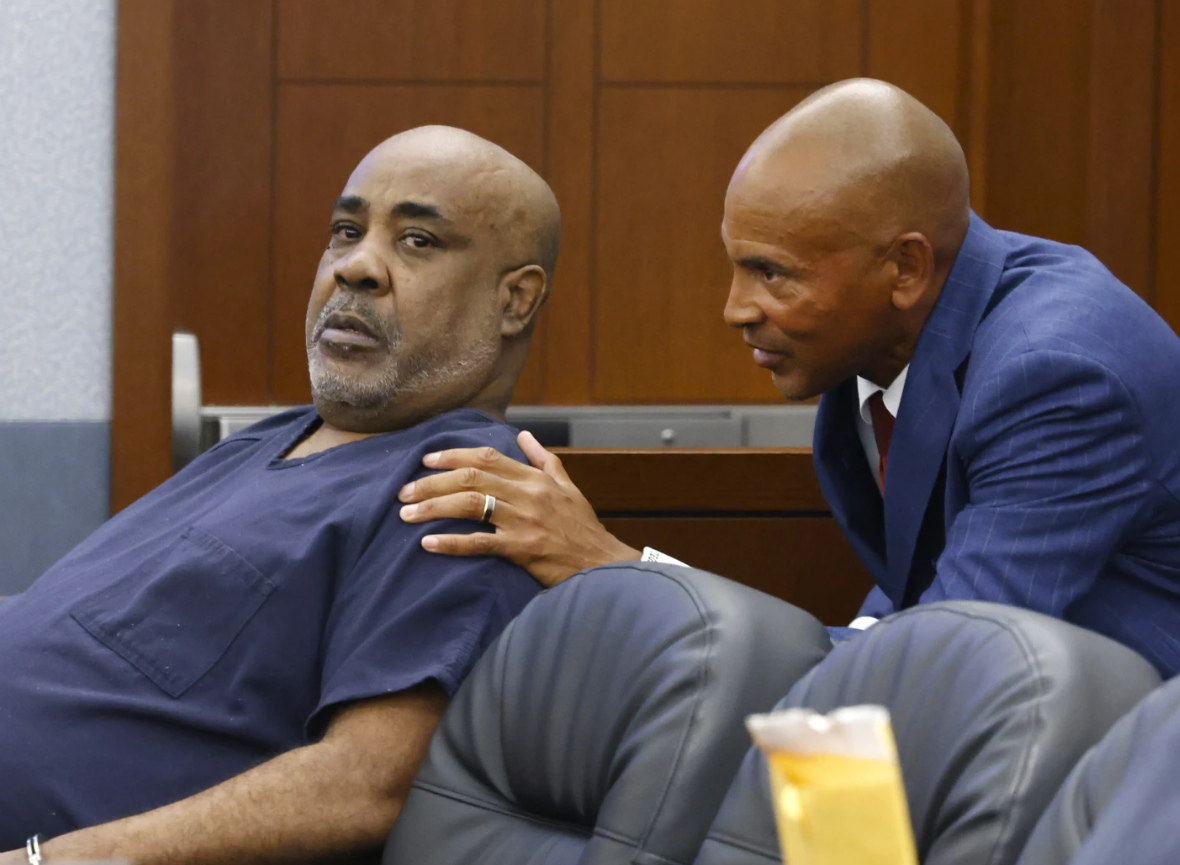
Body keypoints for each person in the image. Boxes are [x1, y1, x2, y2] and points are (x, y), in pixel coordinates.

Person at [398, 79, 1180, 678]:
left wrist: (618, 573)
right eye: (738, 264)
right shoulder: (880, 339)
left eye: (773, 274)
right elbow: (904, 618)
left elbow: (942, 673)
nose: (737, 309)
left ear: (904, 266)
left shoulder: (1059, 376)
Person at [0, 126, 560, 863]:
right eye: (346, 231)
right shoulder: (270, 439)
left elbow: (363, 787)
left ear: (514, 301)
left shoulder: (464, 483)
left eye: (418, 241)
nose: (356, 267)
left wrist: (51, 861)